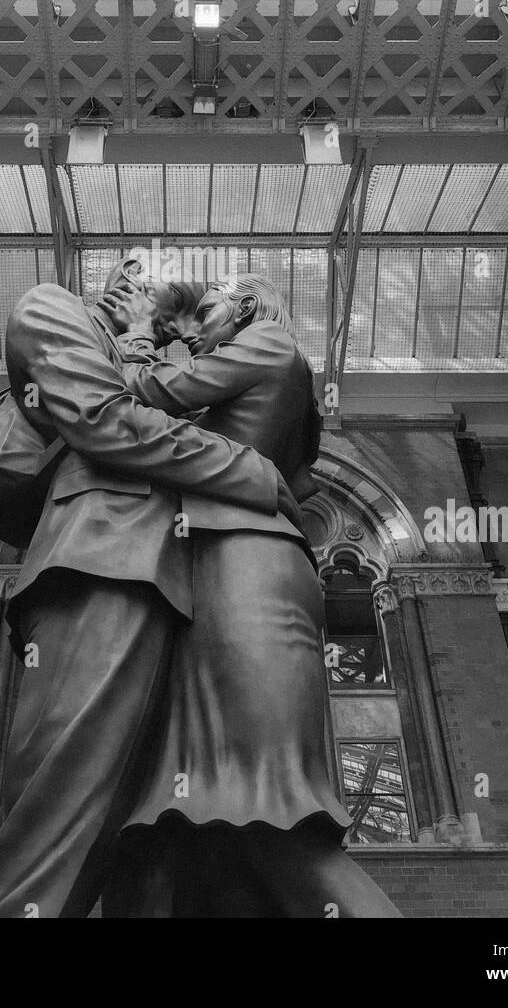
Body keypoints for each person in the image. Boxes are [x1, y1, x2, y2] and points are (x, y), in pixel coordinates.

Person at [0, 260, 303, 918]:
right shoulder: (51, 312)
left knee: (152, 844)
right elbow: (9, 473)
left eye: (190, 318)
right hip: (102, 570)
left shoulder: (176, 371)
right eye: (163, 305)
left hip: (186, 595)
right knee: (56, 816)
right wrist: (246, 469)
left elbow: (143, 417)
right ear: (120, 290)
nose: (183, 332)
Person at [99, 273, 402, 918]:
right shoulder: (257, 375)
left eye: (203, 312)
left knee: (265, 816)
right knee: (191, 826)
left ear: (246, 306)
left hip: (247, 564)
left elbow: (142, 397)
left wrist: (135, 335)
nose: (190, 328)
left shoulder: (268, 346)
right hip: (217, 568)